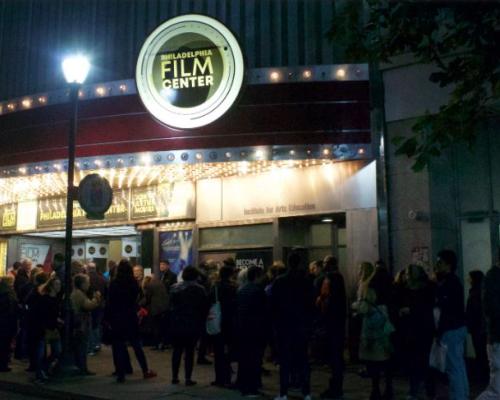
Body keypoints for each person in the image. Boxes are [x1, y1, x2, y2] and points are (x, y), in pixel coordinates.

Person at [272, 252, 314, 400]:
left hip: (284, 326)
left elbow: (274, 305)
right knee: (303, 360)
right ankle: (306, 392)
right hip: (301, 326)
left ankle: (283, 392)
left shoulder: (279, 281)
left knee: (285, 361)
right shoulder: (306, 281)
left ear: (288, 263)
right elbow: (311, 305)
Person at [106, 260, 156, 383]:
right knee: (136, 345)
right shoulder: (133, 283)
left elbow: (110, 302)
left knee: (118, 346)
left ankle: (120, 373)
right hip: (130, 316)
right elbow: (137, 298)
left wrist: (107, 318)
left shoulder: (114, 283)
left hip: (117, 317)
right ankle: (145, 370)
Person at [355, 262, 393, 400]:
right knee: (386, 358)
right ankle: (388, 388)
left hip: (371, 325)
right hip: (385, 324)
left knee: (373, 361)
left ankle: (375, 389)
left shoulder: (370, 285)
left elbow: (363, 306)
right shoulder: (389, 287)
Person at [434, 249, 469, 400]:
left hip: (451, 329)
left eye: (439, 262)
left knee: (453, 367)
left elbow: (445, 309)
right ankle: (463, 394)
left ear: (448, 265)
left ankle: (458, 397)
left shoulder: (448, 283)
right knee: (458, 366)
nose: (436, 265)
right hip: (458, 327)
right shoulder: (454, 281)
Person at [169, 266, 207, 386]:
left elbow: (170, 306)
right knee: (189, 352)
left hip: (177, 323)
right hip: (192, 323)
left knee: (177, 351)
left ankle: (174, 376)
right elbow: (203, 308)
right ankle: (188, 378)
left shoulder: (174, 288)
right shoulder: (200, 289)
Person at [316, 255, 347, 400]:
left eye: (325, 263)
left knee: (334, 357)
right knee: (335, 356)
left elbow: (324, 296)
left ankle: (335, 388)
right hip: (336, 321)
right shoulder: (337, 278)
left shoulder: (331, 278)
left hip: (332, 322)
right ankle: (336, 386)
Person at [403, 264, 436, 400]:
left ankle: (419, 390)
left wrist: (410, 310)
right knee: (420, 360)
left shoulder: (420, 289)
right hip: (420, 329)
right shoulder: (426, 288)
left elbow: (425, 308)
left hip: (419, 328)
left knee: (420, 360)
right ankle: (423, 390)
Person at [236, 266, 267, 397]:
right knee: (254, 360)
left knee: (244, 360)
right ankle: (251, 388)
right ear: (257, 276)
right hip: (255, 330)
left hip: (242, 329)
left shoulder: (241, 290)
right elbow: (264, 312)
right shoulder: (258, 291)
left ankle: (243, 385)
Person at [210, 264, 237, 387]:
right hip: (229, 321)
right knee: (227, 351)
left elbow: (209, 302)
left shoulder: (215, 287)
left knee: (218, 351)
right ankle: (227, 378)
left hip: (217, 320)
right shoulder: (233, 288)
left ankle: (218, 378)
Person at [477, 262, 500, 400]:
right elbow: (493, 309)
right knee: (496, 390)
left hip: (496, 337)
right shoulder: (493, 278)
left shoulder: (492, 277)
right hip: (497, 338)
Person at [71, 273, 101, 376]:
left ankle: (81, 367)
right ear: (82, 284)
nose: (89, 285)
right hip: (81, 324)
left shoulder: (77, 293)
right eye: (87, 283)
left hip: (79, 324)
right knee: (82, 347)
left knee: (80, 347)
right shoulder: (79, 294)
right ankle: (82, 368)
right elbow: (88, 306)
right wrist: (96, 298)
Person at [37, 275, 63, 378]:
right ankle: (41, 371)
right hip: (46, 328)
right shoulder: (45, 299)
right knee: (42, 352)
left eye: (60, 284)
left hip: (53, 328)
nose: (59, 286)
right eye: (57, 284)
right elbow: (43, 314)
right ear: (51, 286)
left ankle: (45, 367)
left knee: (57, 350)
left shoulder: (56, 299)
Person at [466, 270, 488, 380]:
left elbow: (474, 311)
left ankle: (482, 375)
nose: (468, 279)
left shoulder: (474, 293)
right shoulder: (481, 291)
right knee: (482, 351)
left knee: (480, 351)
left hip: (477, 327)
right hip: (481, 327)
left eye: (469, 277)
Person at [142, 273, 169, 351]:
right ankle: (162, 344)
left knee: (156, 327)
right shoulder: (161, 284)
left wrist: (139, 304)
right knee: (162, 327)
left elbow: (147, 298)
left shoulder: (150, 286)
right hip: (164, 308)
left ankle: (157, 344)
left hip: (156, 309)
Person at [87, 262, 106, 355]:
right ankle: (97, 344)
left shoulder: (87, 278)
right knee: (97, 325)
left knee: (90, 325)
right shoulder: (102, 278)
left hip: (90, 304)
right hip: (100, 304)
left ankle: (91, 346)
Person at [0, 276, 17, 372]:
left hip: (3, 322)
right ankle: (3, 365)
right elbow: (11, 310)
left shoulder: (4, 292)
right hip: (7, 323)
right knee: (5, 344)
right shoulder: (9, 294)